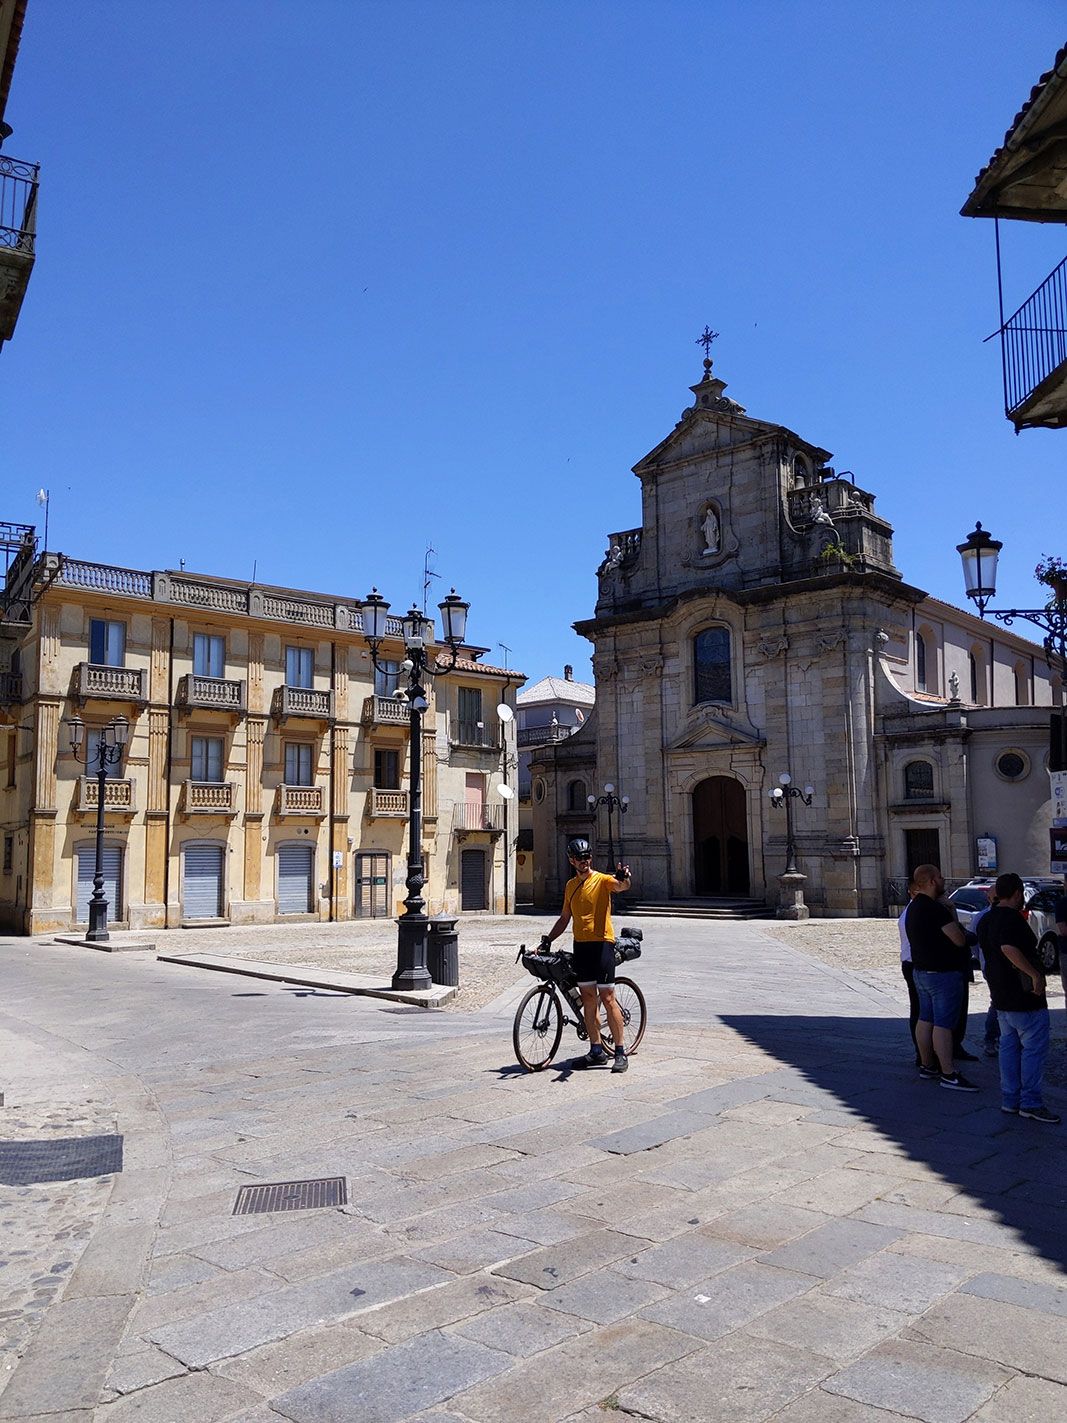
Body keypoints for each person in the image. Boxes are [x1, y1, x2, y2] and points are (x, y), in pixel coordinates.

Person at [540, 836, 632, 1073]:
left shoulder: (602, 880)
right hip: (581, 946)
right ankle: (596, 1050)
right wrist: (547, 940)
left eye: (587, 856)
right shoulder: (570, 886)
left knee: (608, 997)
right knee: (588, 1000)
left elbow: (621, 886)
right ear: (571, 860)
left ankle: (620, 1052)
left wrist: (624, 879)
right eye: (580, 858)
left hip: (602, 945)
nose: (585, 861)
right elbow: (564, 918)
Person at [979, 872, 1060, 1123]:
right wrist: (1034, 974)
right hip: (1023, 997)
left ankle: (1010, 1099)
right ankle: (1031, 1102)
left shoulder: (985, 920)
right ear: (1016, 893)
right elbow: (1008, 948)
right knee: (1033, 1051)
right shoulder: (1011, 920)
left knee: (1009, 1048)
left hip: (1001, 996)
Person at [905, 863, 978, 1091]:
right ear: (931, 881)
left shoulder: (914, 907)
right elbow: (958, 938)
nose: (943, 879)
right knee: (944, 1024)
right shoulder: (935, 910)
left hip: (921, 971)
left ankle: (927, 1065)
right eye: (939, 876)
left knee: (925, 1019)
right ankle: (948, 1072)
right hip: (942, 973)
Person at [898, 879, 921, 1065]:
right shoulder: (916, 912)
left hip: (910, 963)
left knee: (919, 1011)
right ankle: (922, 1053)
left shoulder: (911, 911)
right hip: (915, 964)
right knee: (921, 1012)